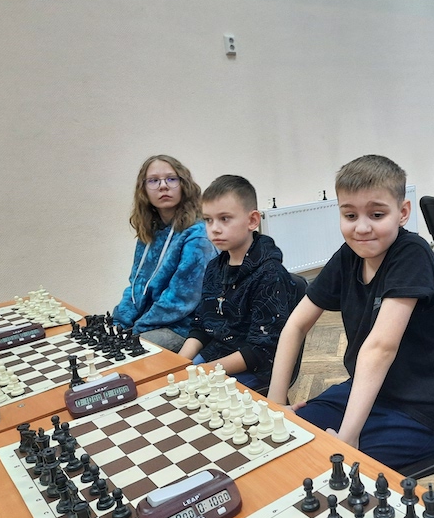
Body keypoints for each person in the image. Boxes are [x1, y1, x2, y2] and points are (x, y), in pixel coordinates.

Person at [267, 155, 434, 469]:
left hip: (419, 411)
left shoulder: (412, 253)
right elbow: (296, 325)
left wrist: (348, 437)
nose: (361, 227)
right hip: (365, 391)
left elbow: (380, 348)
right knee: (282, 439)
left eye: (377, 214)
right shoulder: (349, 255)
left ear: (403, 213)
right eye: (350, 215)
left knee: (322, 465)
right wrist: (276, 406)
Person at [179, 175, 298, 390]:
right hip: (216, 357)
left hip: (254, 369)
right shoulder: (214, 267)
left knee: (192, 395)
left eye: (224, 218)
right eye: (208, 220)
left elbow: (261, 350)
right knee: (172, 384)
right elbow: (201, 325)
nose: (214, 228)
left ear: (252, 220)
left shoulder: (270, 274)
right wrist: (179, 364)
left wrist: (202, 371)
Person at [112, 154, 215, 352]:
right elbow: (136, 286)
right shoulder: (150, 230)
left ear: (184, 185)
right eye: (153, 181)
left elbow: (182, 300)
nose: (163, 186)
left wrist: (136, 329)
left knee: (128, 353)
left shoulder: (198, 235)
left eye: (171, 179)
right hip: (149, 321)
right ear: (144, 190)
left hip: (184, 327)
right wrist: (119, 322)